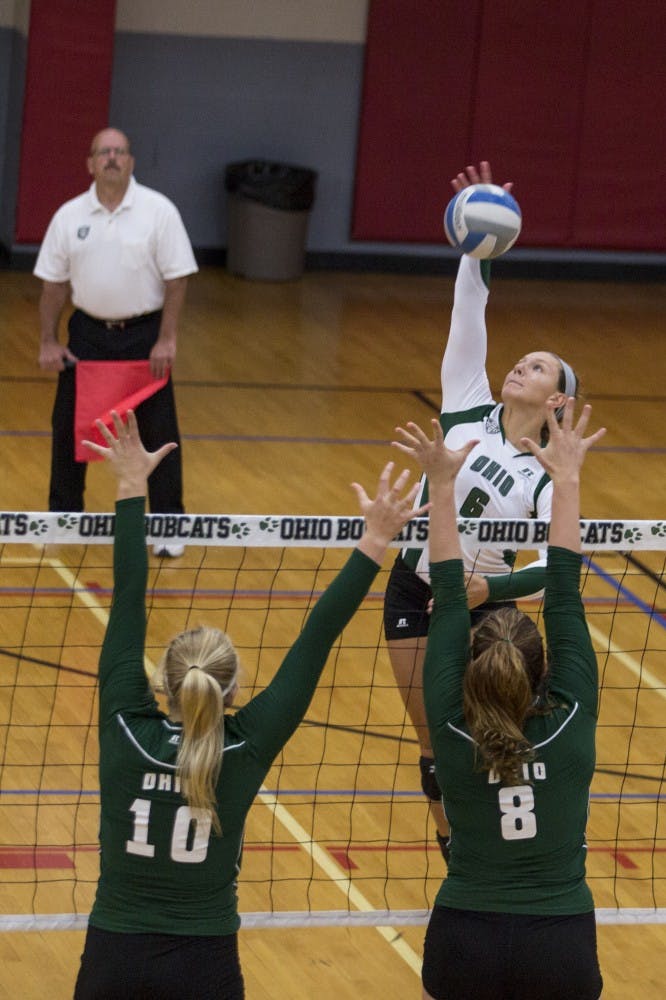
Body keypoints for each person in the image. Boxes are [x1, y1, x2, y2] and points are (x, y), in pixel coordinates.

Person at [73, 409, 428, 1000]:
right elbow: (318, 636)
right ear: (232, 691)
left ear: (161, 681)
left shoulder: (125, 730)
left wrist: (131, 485)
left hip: (115, 958)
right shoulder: (245, 745)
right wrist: (374, 540)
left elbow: (128, 599)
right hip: (203, 964)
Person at [383, 161, 580, 859]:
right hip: (413, 587)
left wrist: (484, 590)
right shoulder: (466, 399)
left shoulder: (548, 474)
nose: (518, 368)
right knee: (433, 734)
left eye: (536, 368)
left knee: (501, 729)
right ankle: (455, 856)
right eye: (519, 361)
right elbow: (470, 308)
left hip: (485, 611)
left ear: (555, 400)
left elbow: (555, 571)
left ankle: (514, 840)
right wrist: (482, 235)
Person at [392, 399, 606, 1000]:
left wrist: (441, 483)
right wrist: (568, 479)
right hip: (560, 946)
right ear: (543, 672)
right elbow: (563, 587)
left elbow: (450, 589)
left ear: (469, 668)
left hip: (465, 941)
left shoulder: (451, 732)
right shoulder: (568, 725)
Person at [34, 126, 198, 557]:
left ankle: (168, 526)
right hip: (87, 335)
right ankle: (65, 519)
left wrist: (167, 338)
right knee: (68, 427)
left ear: (131, 162)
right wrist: (48, 341)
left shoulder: (159, 211)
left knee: (160, 432)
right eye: (103, 152)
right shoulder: (69, 216)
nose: (112, 158)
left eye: (120, 151)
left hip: (145, 337)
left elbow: (177, 278)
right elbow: (53, 285)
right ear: (90, 163)